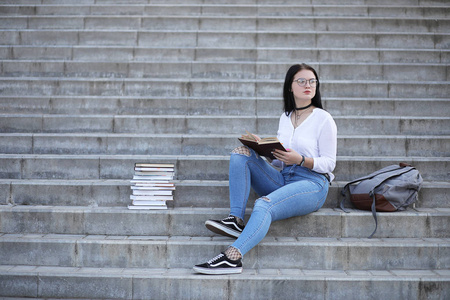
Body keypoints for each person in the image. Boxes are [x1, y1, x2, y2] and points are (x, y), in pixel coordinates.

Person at [193, 63, 337, 275]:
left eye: (312, 81)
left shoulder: (324, 119)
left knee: (263, 204)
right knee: (240, 153)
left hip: (312, 183)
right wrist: (267, 150)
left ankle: (232, 257)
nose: (308, 85)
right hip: (284, 176)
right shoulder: (286, 117)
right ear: (290, 86)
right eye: (302, 81)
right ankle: (235, 220)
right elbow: (280, 163)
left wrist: (301, 159)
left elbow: (329, 163)